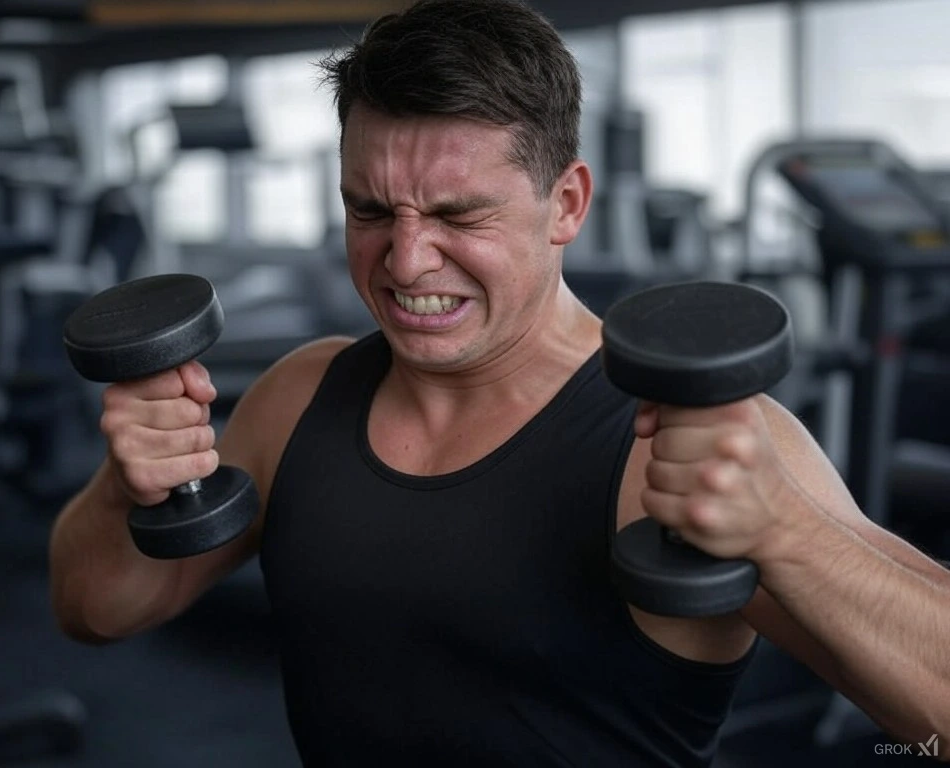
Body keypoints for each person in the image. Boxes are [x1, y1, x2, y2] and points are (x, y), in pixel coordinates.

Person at [49, 1, 950, 765]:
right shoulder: (300, 396)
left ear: (566, 205)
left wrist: (785, 530)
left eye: (457, 213)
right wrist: (127, 486)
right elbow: (94, 611)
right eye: (370, 210)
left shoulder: (676, 442)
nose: (404, 260)